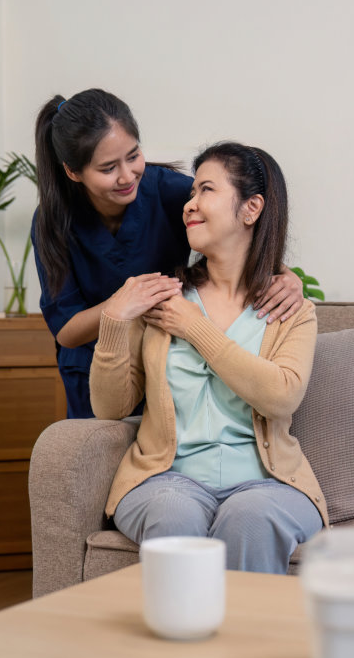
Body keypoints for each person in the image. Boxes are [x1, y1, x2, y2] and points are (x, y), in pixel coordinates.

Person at [89, 142, 327, 573]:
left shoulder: (291, 310)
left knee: (251, 517)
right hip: (168, 480)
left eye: (206, 191)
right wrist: (114, 321)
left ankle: (242, 641)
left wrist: (194, 328)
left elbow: (281, 396)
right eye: (190, 194)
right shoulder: (162, 299)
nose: (190, 205)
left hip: (268, 484)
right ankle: (178, 633)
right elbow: (110, 407)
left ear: (251, 208)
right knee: (173, 513)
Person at [32, 88, 305, 418]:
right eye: (107, 168)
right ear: (73, 172)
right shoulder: (53, 223)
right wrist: (123, 305)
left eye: (133, 156)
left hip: (162, 359)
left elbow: (234, 230)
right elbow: (67, 329)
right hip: (92, 368)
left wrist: (285, 276)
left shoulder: (171, 192)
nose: (127, 175)